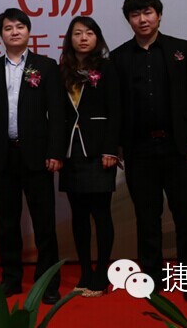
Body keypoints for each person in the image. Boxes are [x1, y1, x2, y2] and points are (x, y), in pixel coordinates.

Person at [111, 0, 187, 303]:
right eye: (135, 15)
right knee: (147, 217)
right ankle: (152, 278)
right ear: (129, 20)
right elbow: (115, 107)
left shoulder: (183, 50)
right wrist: (117, 144)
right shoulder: (119, 57)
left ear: (159, 15)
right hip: (139, 150)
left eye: (148, 12)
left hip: (179, 147)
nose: (142, 19)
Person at [0, 8, 65, 305]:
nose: (14, 32)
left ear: (29, 31)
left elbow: (57, 112)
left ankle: (48, 282)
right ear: (0, 34)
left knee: (44, 223)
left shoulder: (46, 66)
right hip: (3, 156)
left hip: (38, 156)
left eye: (20, 26)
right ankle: (11, 279)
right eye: (8, 28)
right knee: (7, 223)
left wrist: (55, 151)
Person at [57, 16, 121, 297]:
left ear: (97, 38)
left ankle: (101, 273)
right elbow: (57, 114)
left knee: (101, 212)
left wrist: (111, 149)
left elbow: (116, 110)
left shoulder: (107, 68)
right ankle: (84, 271)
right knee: (79, 215)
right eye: (77, 33)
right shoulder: (62, 70)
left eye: (89, 33)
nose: (83, 38)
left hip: (98, 151)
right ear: (69, 38)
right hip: (71, 152)